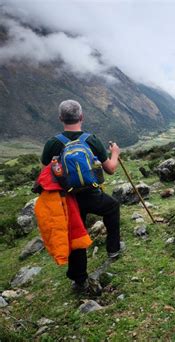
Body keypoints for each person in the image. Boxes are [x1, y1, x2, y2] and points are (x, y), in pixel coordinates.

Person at [41, 99, 124, 294]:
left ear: (61, 118)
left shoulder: (53, 143)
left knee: (76, 233)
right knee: (112, 207)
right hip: (92, 194)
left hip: (68, 199)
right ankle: (113, 249)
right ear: (82, 117)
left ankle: (79, 279)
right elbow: (110, 169)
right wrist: (115, 153)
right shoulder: (91, 140)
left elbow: (47, 169)